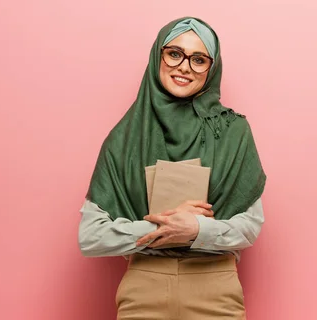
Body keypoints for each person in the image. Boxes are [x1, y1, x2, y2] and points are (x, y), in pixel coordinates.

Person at [78, 17, 266, 319]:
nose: (184, 67)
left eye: (199, 59)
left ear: (212, 67)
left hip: (215, 288)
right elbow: (91, 237)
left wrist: (196, 230)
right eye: (174, 53)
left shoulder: (232, 131)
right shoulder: (125, 138)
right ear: (158, 56)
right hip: (144, 288)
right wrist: (164, 228)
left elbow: (250, 226)